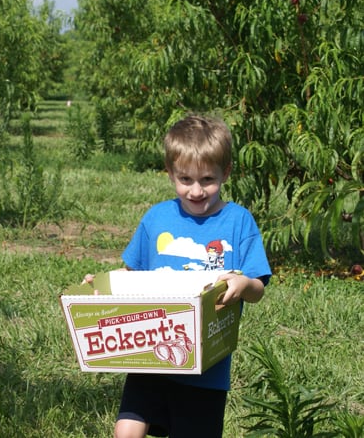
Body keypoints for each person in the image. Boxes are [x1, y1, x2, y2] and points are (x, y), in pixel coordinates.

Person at [98, 115, 271, 438]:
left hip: (206, 369)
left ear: (226, 172)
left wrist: (243, 283)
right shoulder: (157, 217)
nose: (196, 190)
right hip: (151, 355)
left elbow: (258, 287)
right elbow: (130, 273)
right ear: (170, 173)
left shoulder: (239, 222)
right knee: (126, 430)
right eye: (185, 179)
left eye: (207, 179)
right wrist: (100, 285)